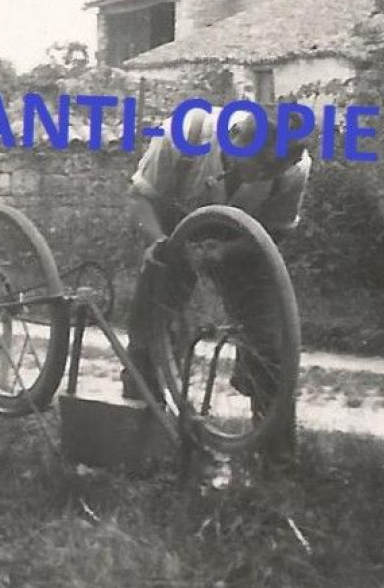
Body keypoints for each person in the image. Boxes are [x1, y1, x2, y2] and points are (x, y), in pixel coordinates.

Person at [123, 104, 311, 457]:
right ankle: (141, 444)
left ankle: (275, 462)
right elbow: (139, 199)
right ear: (236, 137)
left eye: (272, 170)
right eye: (258, 163)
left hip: (243, 237)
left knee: (272, 345)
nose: (262, 175)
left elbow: (275, 232)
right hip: (171, 229)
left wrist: (227, 252)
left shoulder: (294, 169)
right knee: (151, 334)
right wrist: (160, 243)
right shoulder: (186, 132)